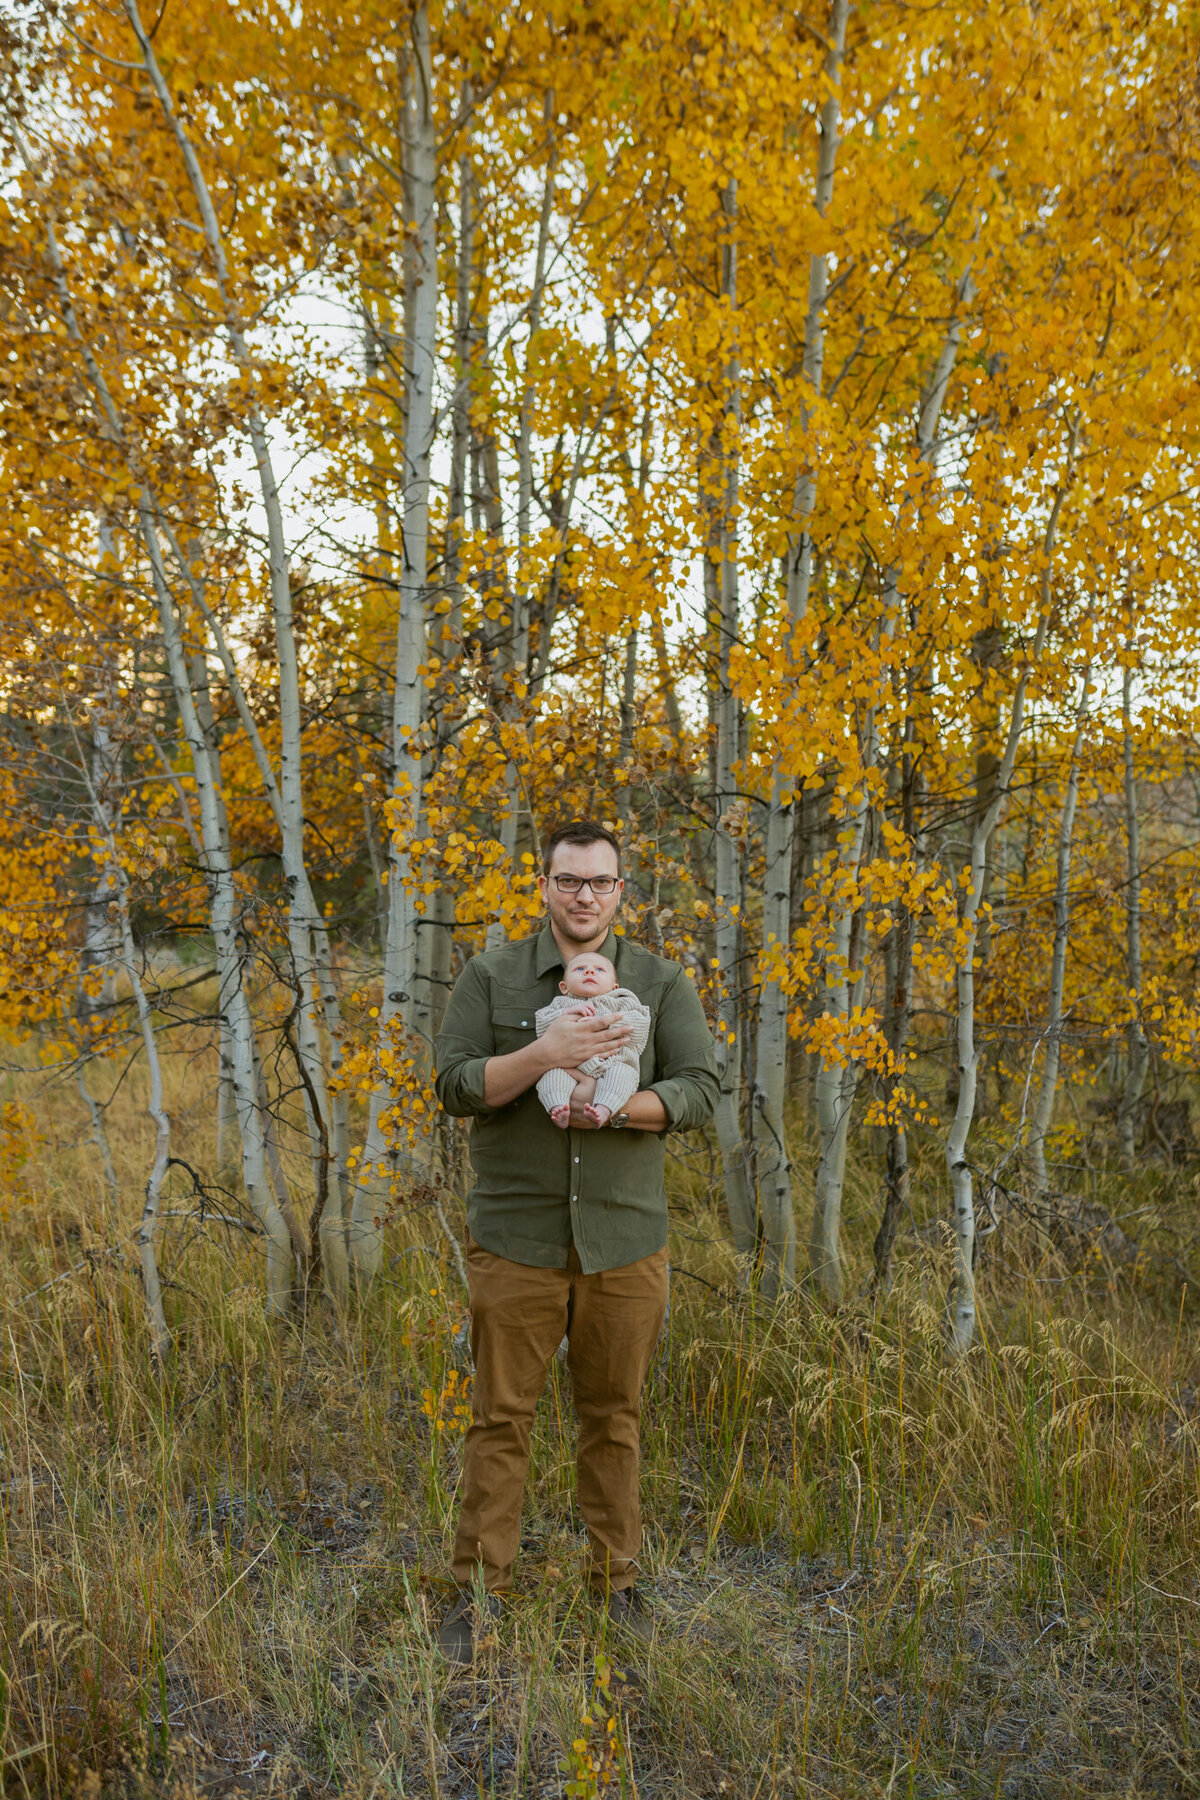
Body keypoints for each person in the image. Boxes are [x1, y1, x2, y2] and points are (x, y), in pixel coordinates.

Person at [433, 818, 718, 1664]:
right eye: (569, 881)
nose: (584, 896)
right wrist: (545, 1053)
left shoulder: (660, 983)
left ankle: (615, 1585)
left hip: (624, 1240)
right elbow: (453, 1086)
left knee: (614, 1417)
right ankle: (478, 1594)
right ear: (545, 885)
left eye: (600, 883)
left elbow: (699, 1090)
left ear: (620, 891)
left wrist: (604, 1103)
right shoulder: (490, 977)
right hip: (515, 1236)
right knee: (499, 1418)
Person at [534, 950, 651, 1127]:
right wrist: (565, 1016)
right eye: (580, 969)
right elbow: (542, 1026)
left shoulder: (622, 1001)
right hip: (569, 1066)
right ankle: (558, 1108)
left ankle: (604, 1110)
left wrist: (605, 1023)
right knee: (551, 1076)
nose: (589, 972)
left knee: (623, 1075)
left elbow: (640, 1025)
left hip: (612, 1064)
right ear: (564, 987)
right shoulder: (561, 1004)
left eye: (599, 970)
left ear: (614, 986)